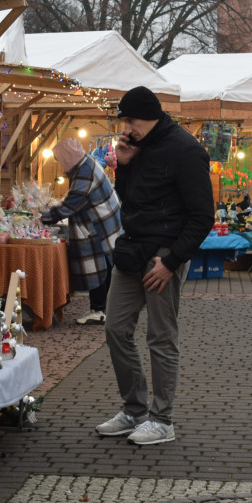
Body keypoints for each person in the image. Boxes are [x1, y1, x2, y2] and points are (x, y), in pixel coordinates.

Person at [94, 86, 214, 445]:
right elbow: (128, 201)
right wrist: (125, 166)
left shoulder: (187, 150)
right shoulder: (136, 147)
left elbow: (202, 216)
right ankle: (134, 410)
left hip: (164, 255)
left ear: (148, 116)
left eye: (130, 121)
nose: (125, 128)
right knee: (115, 329)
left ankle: (162, 419)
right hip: (131, 251)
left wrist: (172, 261)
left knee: (160, 338)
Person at [40, 137, 121, 325]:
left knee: (99, 266)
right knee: (105, 266)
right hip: (106, 222)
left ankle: (99, 310)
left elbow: (73, 203)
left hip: (100, 225)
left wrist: (43, 217)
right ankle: (104, 309)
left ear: (68, 158)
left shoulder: (85, 170)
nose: (60, 164)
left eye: (60, 160)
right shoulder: (88, 162)